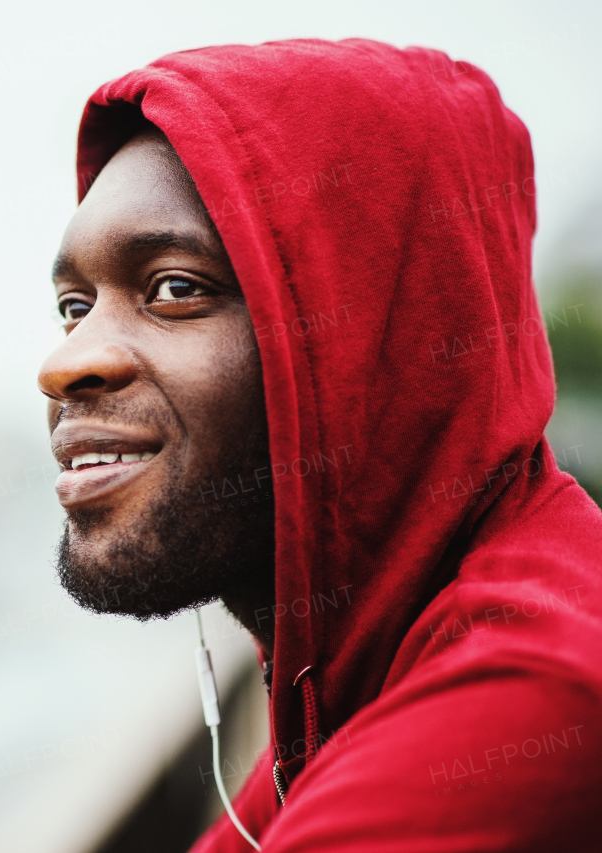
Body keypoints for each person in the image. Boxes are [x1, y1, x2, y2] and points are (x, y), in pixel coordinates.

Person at [39, 38, 602, 850]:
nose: (65, 362)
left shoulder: (523, 702)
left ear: (383, 329)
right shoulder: (360, 668)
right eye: (73, 305)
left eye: (174, 288)